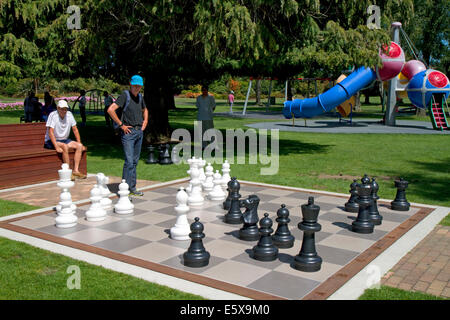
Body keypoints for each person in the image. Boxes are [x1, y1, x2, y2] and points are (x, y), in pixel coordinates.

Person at [107, 75, 148, 196]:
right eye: (135, 85)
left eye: (139, 86)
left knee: (134, 162)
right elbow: (110, 110)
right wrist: (121, 125)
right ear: (130, 84)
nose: (137, 88)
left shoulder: (140, 97)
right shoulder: (125, 95)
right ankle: (123, 190)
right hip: (128, 133)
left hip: (139, 132)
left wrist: (145, 121)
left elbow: (145, 110)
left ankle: (132, 188)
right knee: (129, 162)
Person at [44, 100, 87, 180]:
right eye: (62, 109)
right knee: (64, 146)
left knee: (80, 146)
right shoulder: (53, 115)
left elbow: (75, 129)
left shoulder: (69, 115)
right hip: (51, 141)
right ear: (58, 108)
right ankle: (68, 172)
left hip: (65, 139)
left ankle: (76, 171)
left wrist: (79, 142)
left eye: (65, 109)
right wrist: (56, 146)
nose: (64, 111)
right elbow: (51, 132)